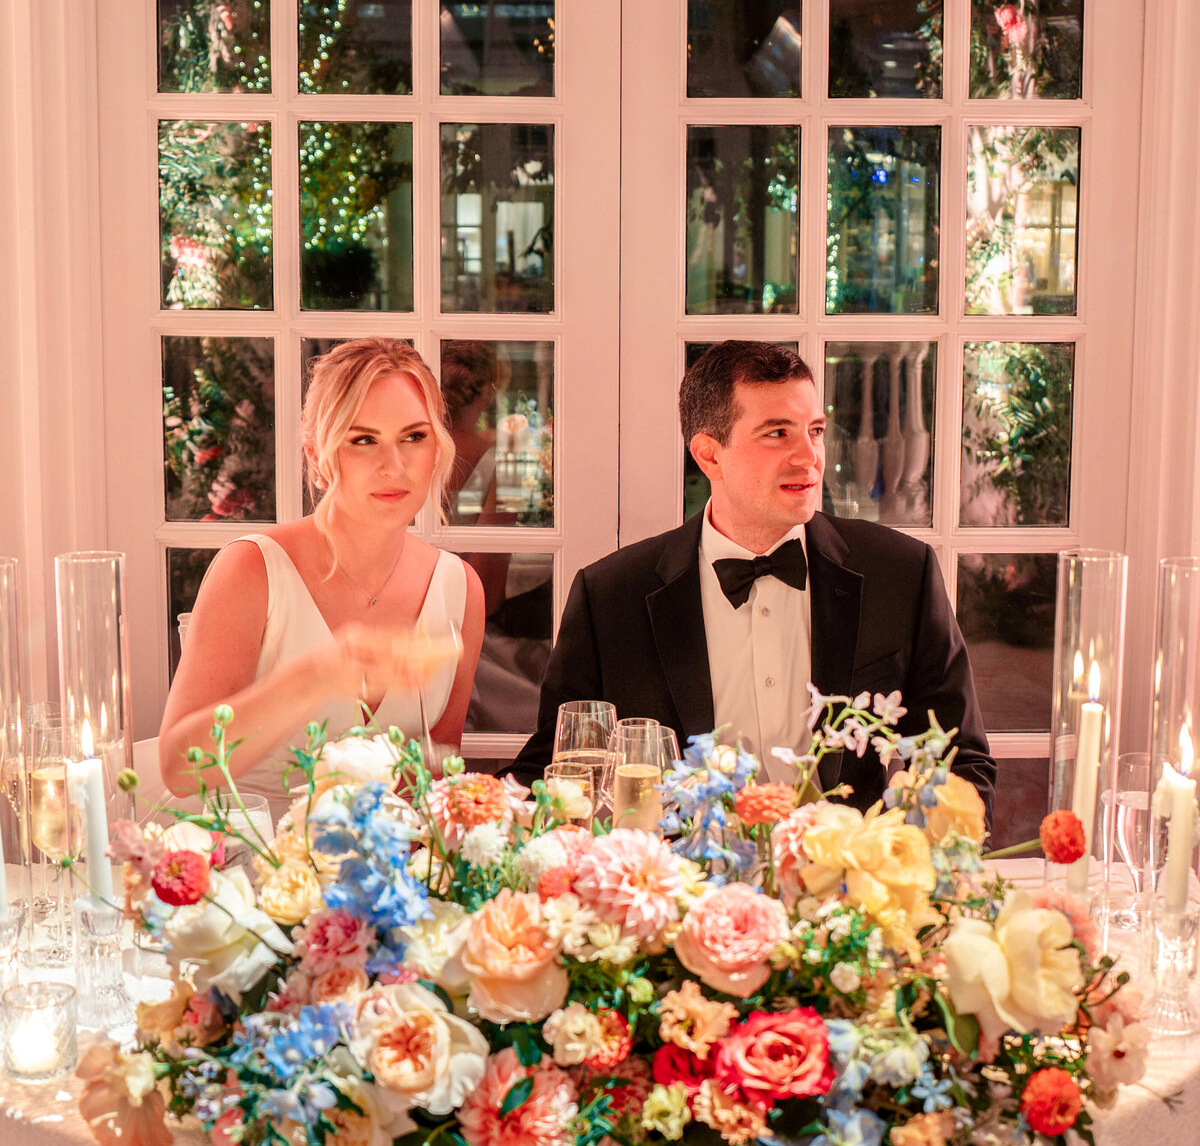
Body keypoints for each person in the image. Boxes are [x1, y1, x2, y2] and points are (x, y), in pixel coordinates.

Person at [513, 341, 995, 824]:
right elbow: (556, 773)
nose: (809, 456)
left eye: (816, 430)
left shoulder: (901, 573)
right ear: (709, 456)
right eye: (777, 433)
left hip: (845, 885)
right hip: (681, 886)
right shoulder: (610, 597)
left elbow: (960, 764)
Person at [159, 338, 485, 814]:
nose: (393, 466)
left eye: (414, 436)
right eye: (363, 439)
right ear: (317, 455)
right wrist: (314, 677)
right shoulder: (252, 570)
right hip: (249, 874)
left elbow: (436, 780)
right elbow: (178, 770)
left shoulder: (459, 590)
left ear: (437, 449)